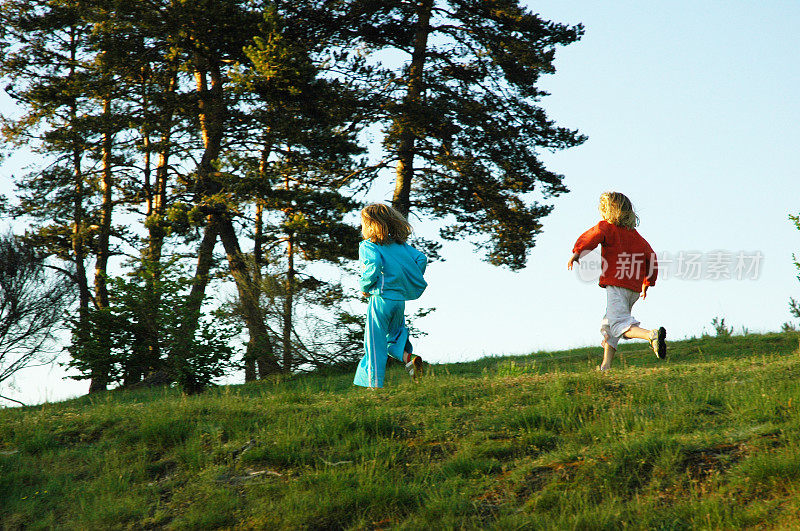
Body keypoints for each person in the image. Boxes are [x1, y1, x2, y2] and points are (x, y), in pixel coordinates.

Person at [567, 192, 666, 371]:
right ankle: (606, 366)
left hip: (617, 286)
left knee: (619, 324)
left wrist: (577, 251)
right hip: (633, 290)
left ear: (607, 211)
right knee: (609, 325)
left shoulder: (607, 228)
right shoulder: (637, 237)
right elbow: (651, 258)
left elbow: (592, 236)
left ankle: (651, 335)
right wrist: (648, 282)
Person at [353, 203, 428, 388]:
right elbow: (421, 259)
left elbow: (373, 266)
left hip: (380, 299)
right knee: (394, 337)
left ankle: (374, 385)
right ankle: (409, 359)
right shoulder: (400, 245)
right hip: (399, 301)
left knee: (374, 343)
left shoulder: (368, 245)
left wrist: (365, 286)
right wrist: (404, 280)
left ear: (370, 224)